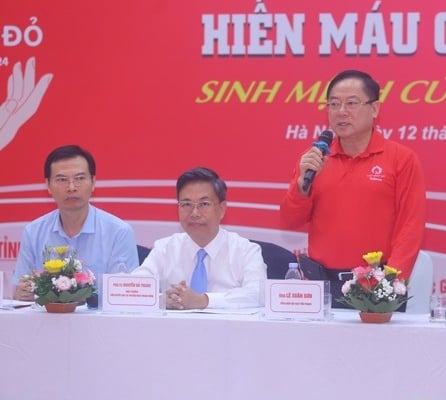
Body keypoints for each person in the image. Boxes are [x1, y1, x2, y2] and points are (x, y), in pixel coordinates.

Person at [279, 69, 426, 307]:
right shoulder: (314, 159)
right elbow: (289, 220)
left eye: (352, 103)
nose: (341, 112)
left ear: (375, 108)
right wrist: (300, 188)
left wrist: (389, 283)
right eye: (334, 104)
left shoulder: (401, 159)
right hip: (321, 284)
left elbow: (410, 227)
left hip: (375, 286)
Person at [12, 144, 139, 300]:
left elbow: (124, 295)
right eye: (62, 180)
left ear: (93, 182)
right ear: (48, 185)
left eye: (79, 178)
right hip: (48, 321)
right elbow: (20, 287)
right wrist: (22, 292)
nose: (71, 187)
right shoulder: (33, 232)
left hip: (101, 323)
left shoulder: (119, 232)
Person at [131, 167, 266, 309]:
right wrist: (163, 300)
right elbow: (133, 288)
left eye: (204, 204)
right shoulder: (164, 248)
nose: (194, 213)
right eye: (186, 204)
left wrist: (203, 301)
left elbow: (259, 294)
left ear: (222, 209)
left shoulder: (246, 251)